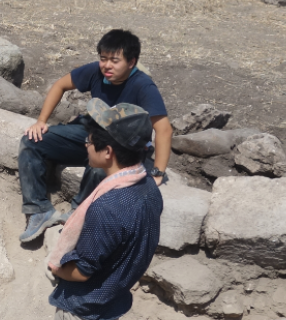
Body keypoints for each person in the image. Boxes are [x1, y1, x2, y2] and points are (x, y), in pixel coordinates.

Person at [28, 99, 162, 320]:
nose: (84, 145)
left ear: (107, 152)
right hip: (111, 301)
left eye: (89, 140)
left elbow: (83, 269)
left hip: (83, 307)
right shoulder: (148, 188)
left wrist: (56, 268)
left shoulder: (109, 206)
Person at [17, 29, 172, 243]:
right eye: (103, 59)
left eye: (115, 60)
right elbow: (60, 85)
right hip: (91, 133)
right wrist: (41, 121)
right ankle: (38, 210)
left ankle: (78, 212)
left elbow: (163, 129)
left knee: (102, 162)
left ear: (131, 62)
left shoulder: (143, 86)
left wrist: (158, 172)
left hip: (123, 145)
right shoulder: (96, 72)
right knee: (31, 141)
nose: (107, 65)